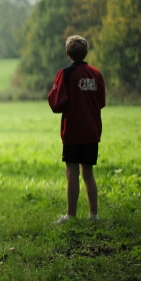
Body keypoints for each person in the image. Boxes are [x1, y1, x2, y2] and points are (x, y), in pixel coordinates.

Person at [47, 35, 105, 224]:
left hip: (73, 131)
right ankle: (94, 215)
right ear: (86, 52)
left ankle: (71, 216)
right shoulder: (96, 74)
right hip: (92, 130)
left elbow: (56, 104)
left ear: (67, 53)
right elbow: (101, 102)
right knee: (88, 173)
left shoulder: (65, 74)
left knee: (72, 172)